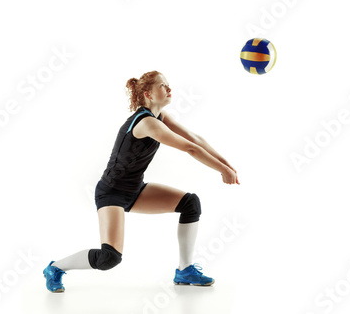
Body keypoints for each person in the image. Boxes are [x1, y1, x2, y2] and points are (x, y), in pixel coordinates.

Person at [43, 70, 239, 292]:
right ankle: (55, 268)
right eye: (163, 86)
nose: (169, 89)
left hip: (135, 190)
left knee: (190, 204)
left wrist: (226, 165)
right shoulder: (146, 123)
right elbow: (189, 148)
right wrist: (221, 169)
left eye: (168, 85)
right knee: (110, 258)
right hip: (111, 192)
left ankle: (185, 270)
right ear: (148, 94)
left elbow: (195, 139)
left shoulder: (159, 117)